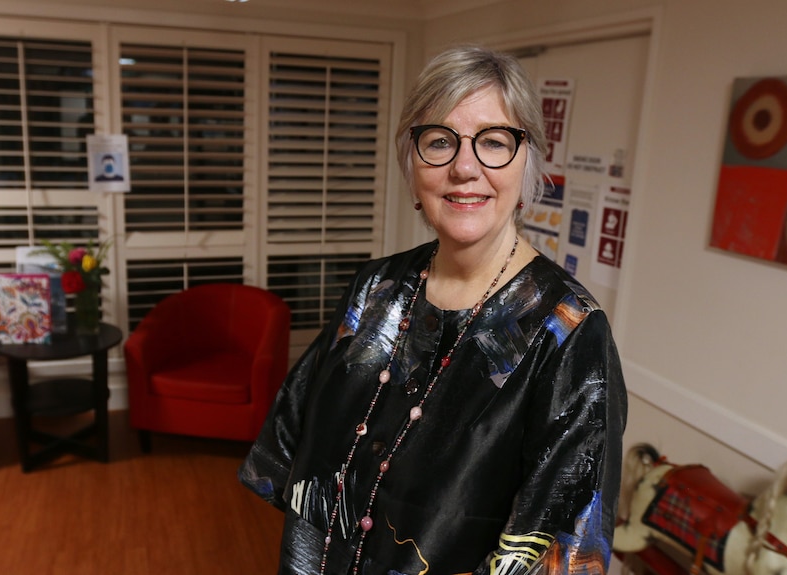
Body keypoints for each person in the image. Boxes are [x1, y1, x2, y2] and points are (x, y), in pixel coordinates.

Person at [239, 44, 627, 575]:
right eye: (440, 141)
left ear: (528, 162)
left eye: (493, 141)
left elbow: (563, 547)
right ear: (413, 164)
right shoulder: (374, 287)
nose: (464, 168)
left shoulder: (569, 332)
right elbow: (298, 445)